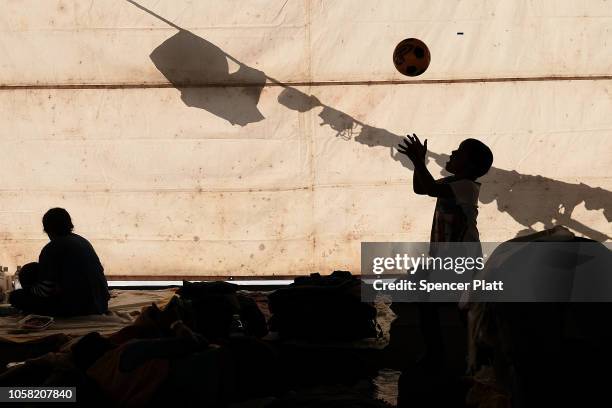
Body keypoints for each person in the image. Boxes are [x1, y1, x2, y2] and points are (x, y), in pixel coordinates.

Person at [397, 135, 493, 366]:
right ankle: (466, 357)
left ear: (469, 166)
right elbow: (421, 188)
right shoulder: (453, 182)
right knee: (451, 307)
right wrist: (418, 163)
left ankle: (458, 357)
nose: (452, 153)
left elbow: (428, 187)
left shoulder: (466, 187)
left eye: (458, 153)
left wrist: (419, 161)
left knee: (455, 308)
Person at [10, 208, 110, 316]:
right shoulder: (82, 241)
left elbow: (45, 291)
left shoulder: (51, 248)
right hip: (101, 304)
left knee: (15, 297)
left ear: (47, 229)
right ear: (70, 224)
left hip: (79, 309)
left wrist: (29, 290)